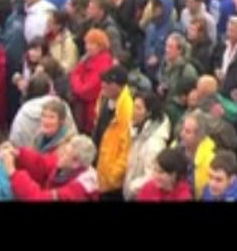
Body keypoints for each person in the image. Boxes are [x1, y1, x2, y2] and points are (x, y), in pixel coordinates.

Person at [1, 134, 100, 201]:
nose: (59, 154)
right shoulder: (67, 165)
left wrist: (12, 173)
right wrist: (18, 153)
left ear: (76, 163)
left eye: (65, 153)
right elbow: (42, 163)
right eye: (63, 150)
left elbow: (38, 198)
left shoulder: (78, 190)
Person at [93, 65, 134, 200]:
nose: (103, 85)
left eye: (109, 82)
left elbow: (126, 146)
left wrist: (114, 175)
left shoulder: (127, 109)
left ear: (119, 86)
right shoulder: (104, 99)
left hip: (113, 181)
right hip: (99, 166)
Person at [124, 91, 171, 200]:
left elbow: (152, 176)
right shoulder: (138, 132)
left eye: (138, 108)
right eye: (133, 106)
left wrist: (131, 187)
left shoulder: (154, 143)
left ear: (148, 112)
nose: (133, 111)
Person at [69, 28, 114, 133]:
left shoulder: (103, 64)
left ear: (101, 46)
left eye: (92, 44)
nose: (87, 47)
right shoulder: (87, 59)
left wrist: (76, 79)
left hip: (92, 115)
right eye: (87, 43)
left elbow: (86, 90)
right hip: (84, 112)